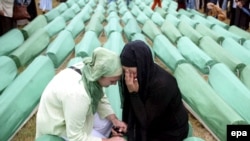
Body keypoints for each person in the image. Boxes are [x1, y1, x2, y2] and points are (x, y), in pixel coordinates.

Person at [36, 47, 127, 141]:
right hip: (58, 125)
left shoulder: (90, 70)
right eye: (112, 81)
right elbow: (75, 137)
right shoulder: (78, 95)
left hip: (71, 110)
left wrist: (114, 120)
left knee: (108, 123)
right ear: (100, 75)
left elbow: (100, 95)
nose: (114, 84)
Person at [119, 40, 189, 141]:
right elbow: (130, 106)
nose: (127, 76)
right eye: (125, 71)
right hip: (152, 121)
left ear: (142, 67)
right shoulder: (139, 76)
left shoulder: (163, 85)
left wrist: (134, 93)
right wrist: (127, 124)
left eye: (131, 72)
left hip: (171, 131)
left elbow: (145, 122)